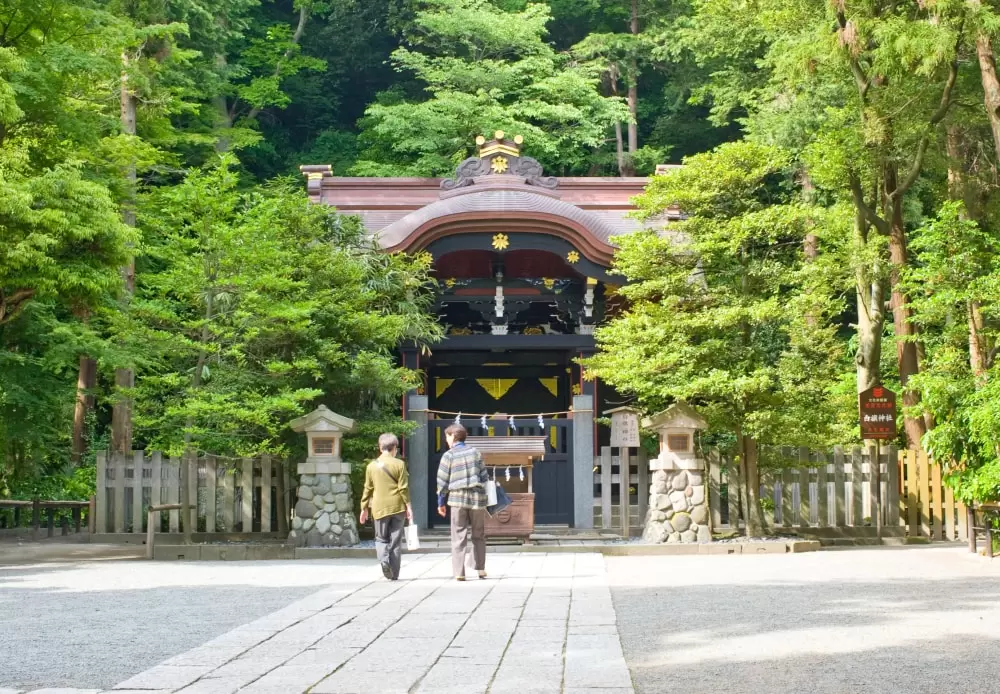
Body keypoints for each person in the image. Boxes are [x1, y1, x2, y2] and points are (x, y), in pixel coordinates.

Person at [436, 423, 488, 581]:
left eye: (447, 436)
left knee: (458, 535)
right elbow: (484, 476)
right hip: (477, 499)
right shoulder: (475, 452)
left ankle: (459, 572)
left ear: (453, 436)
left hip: (457, 498)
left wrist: (440, 502)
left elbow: (442, 480)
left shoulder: (449, 455)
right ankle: (480, 569)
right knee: (479, 534)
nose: (446, 439)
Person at [359, 433, 412, 581]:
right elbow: (403, 488)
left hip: (379, 507)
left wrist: (364, 508)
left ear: (380, 448)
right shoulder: (399, 464)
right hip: (397, 507)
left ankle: (384, 561)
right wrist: (409, 507)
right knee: (395, 542)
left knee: (381, 539)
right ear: (394, 448)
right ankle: (394, 574)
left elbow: (367, 489)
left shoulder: (371, 466)